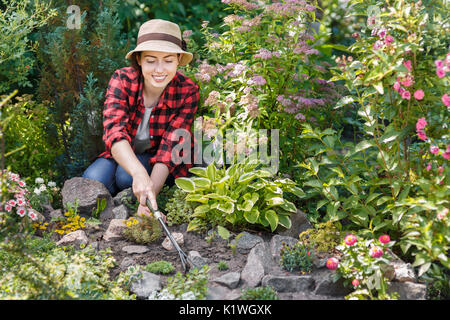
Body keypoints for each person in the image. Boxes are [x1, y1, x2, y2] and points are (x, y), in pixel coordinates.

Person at [82, 19, 199, 220]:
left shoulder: (188, 91)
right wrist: (138, 172)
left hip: (158, 158)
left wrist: (150, 197)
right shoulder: (122, 80)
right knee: (92, 181)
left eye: (168, 60)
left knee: (125, 178)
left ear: (179, 60)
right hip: (123, 151)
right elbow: (114, 133)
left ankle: (131, 198)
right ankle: (123, 197)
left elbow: (170, 148)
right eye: (151, 60)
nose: (159, 69)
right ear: (139, 59)